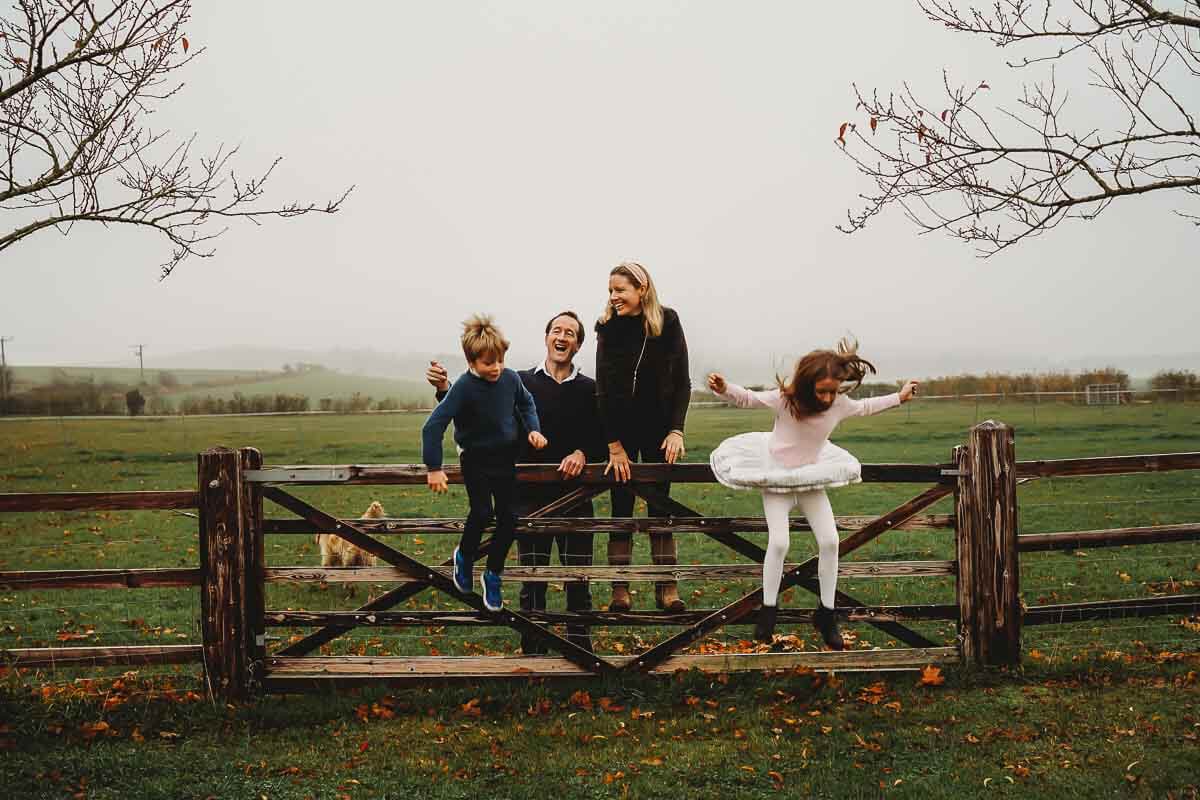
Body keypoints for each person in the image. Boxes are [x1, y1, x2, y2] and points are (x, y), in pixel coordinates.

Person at [706, 338, 918, 648]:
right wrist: (725, 387)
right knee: (779, 542)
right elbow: (749, 399)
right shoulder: (786, 401)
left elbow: (866, 407)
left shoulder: (838, 404)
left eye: (833, 391)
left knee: (831, 541)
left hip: (809, 479)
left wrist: (899, 397)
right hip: (776, 478)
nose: (829, 397)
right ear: (807, 385)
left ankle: (827, 614)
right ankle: (768, 610)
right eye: (822, 391)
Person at [427, 311, 606, 652]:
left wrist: (583, 452)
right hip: (528, 498)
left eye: (570, 332)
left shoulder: (590, 390)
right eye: (556, 329)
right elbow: (475, 408)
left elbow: (602, 436)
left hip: (576, 498)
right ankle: (534, 653)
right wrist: (444, 390)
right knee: (532, 583)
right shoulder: (518, 380)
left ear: (578, 344)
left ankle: (582, 654)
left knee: (578, 581)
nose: (562, 336)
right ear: (546, 337)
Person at [422, 314, 547, 612]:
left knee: (509, 519)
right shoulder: (464, 386)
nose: (496, 368)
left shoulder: (510, 378)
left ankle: (493, 574)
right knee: (481, 512)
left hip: (505, 459)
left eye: (500, 360)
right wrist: (434, 468)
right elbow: (433, 426)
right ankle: (463, 557)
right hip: (475, 459)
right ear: (471, 362)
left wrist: (534, 429)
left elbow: (526, 403)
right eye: (488, 363)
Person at [594, 262, 691, 613]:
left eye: (620, 289)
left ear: (642, 289)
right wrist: (614, 446)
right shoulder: (607, 328)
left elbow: (682, 381)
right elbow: (602, 391)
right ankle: (620, 589)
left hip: (658, 430)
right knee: (621, 508)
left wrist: (676, 429)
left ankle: (666, 587)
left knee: (659, 509)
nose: (614, 297)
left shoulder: (668, 321)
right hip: (621, 434)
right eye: (610, 291)